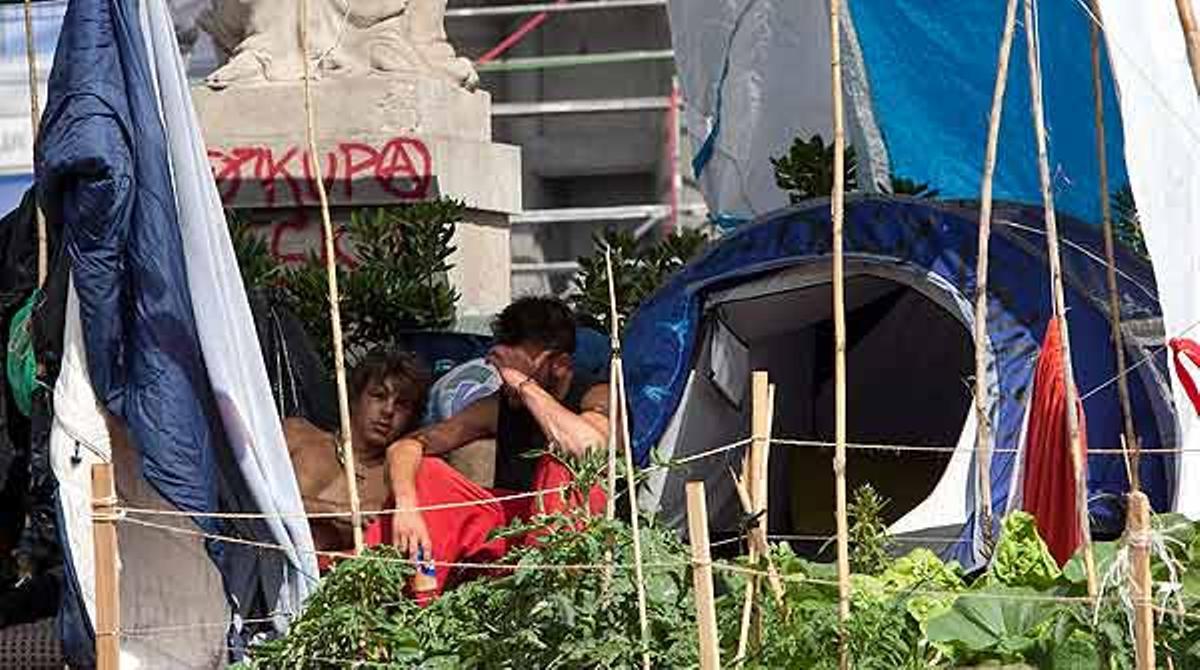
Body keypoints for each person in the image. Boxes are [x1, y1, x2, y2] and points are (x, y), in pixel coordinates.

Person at [385, 297, 610, 595]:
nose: (504, 380)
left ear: (560, 365)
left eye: (517, 369)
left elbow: (588, 449)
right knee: (425, 470)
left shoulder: (598, 396)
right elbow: (409, 445)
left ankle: (545, 593)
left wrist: (523, 384)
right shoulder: (497, 407)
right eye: (504, 369)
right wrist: (407, 504)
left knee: (561, 461)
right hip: (513, 534)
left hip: (575, 545)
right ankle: (419, 599)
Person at [286, 348, 431, 553]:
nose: (388, 410)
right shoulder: (297, 435)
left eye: (402, 404)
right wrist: (337, 511)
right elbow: (253, 497)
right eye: (379, 396)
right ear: (354, 398)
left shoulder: (396, 477)